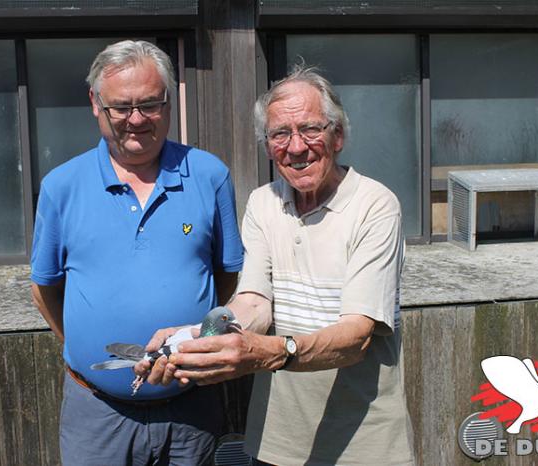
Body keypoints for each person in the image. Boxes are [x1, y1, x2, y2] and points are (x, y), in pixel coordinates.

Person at [137, 66, 416, 465]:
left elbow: (357, 337)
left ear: (338, 137)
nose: (296, 147)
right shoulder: (264, 202)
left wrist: (273, 351)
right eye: (280, 134)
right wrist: (195, 335)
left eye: (310, 129)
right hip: (277, 441)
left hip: (364, 443)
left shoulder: (375, 205)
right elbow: (254, 302)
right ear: (268, 147)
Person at [30, 39, 244, 466]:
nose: (135, 120)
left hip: (191, 407)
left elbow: (226, 279)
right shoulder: (61, 186)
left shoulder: (209, 175)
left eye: (150, 104)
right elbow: (45, 289)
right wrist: (85, 350)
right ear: (95, 102)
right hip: (97, 414)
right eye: (120, 107)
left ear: (169, 102)